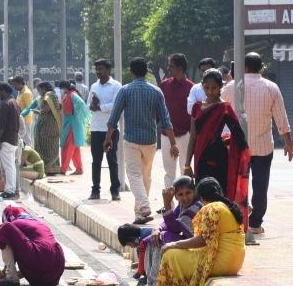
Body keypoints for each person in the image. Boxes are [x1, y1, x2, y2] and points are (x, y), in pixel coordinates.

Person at [222, 52, 293, 236]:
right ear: (261, 67)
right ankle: (255, 224)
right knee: (260, 186)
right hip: (263, 147)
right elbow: (281, 119)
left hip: (237, 146)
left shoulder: (231, 87)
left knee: (237, 184)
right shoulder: (271, 87)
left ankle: (236, 220)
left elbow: (219, 113)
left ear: (243, 67)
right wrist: (288, 143)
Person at [153, 178, 246, 286]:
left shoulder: (210, 208)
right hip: (235, 263)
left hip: (221, 263)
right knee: (174, 249)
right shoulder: (226, 206)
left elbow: (202, 240)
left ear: (200, 196)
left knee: (170, 254)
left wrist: (173, 244)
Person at [105, 57, 178, 225]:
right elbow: (165, 120)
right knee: (145, 175)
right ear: (147, 72)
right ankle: (139, 214)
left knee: (134, 174)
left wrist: (108, 138)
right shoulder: (156, 91)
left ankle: (144, 206)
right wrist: (173, 143)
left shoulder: (125, 90)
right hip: (150, 141)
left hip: (131, 139)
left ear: (131, 72)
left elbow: (114, 117)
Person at [186, 70, 250, 222]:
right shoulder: (197, 107)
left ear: (221, 86)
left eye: (213, 88)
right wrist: (186, 164)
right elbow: (193, 137)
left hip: (218, 157)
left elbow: (239, 135)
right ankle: (206, 227)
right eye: (206, 88)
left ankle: (220, 226)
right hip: (200, 157)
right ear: (202, 86)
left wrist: (240, 155)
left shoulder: (225, 108)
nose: (210, 91)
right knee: (202, 193)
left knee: (217, 193)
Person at [0, 204, 65, 286]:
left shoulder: (15, 223)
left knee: (4, 228)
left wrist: (7, 271)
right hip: (53, 276)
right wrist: (16, 274)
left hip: (38, 264)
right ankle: (12, 275)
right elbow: (39, 260)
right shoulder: (39, 224)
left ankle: (11, 277)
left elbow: (2, 242)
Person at [160, 53, 195, 213]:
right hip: (167, 135)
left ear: (180, 68)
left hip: (186, 134)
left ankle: (185, 205)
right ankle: (169, 205)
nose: (169, 69)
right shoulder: (164, 86)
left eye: (171, 66)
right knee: (169, 171)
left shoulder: (192, 88)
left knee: (184, 169)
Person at [89, 59, 123, 201]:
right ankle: (95, 189)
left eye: (101, 69)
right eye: (97, 69)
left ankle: (115, 190)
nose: (98, 71)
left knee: (112, 160)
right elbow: (88, 104)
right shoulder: (94, 86)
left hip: (111, 129)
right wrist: (93, 105)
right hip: (96, 128)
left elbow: (116, 105)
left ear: (108, 70)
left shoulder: (116, 86)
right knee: (96, 161)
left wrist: (100, 107)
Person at [22, 81, 62, 175]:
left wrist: (38, 111)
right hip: (45, 124)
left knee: (48, 145)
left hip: (49, 125)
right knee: (45, 145)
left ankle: (50, 168)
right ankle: (47, 168)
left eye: (39, 89)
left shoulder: (49, 95)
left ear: (43, 88)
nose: (38, 91)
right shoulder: (46, 96)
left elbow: (46, 109)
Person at [0, 83, 22, 199]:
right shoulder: (15, 102)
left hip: (7, 138)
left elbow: (1, 126)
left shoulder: (5, 104)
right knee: (11, 165)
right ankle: (12, 190)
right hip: (14, 138)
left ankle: (10, 191)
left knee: (8, 166)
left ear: (4, 91)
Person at [58, 81, 89, 177]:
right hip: (68, 123)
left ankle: (63, 169)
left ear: (64, 88)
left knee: (68, 147)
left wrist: (76, 115)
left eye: (61, 88)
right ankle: (79, 168)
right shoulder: (68, 95)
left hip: (73, 125)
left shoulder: (72, 95)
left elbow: (82, 105)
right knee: (75, 149)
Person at [12, 76, 35, 147]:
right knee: (21, 141)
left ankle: (29, 157)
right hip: (20, 119)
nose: (14, 87)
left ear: (21, 83)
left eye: (15, 85)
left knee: (27, 141)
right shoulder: (20, 92)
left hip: (25, 120)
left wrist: (21, 116)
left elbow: (29, 108)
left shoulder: (26, 93)